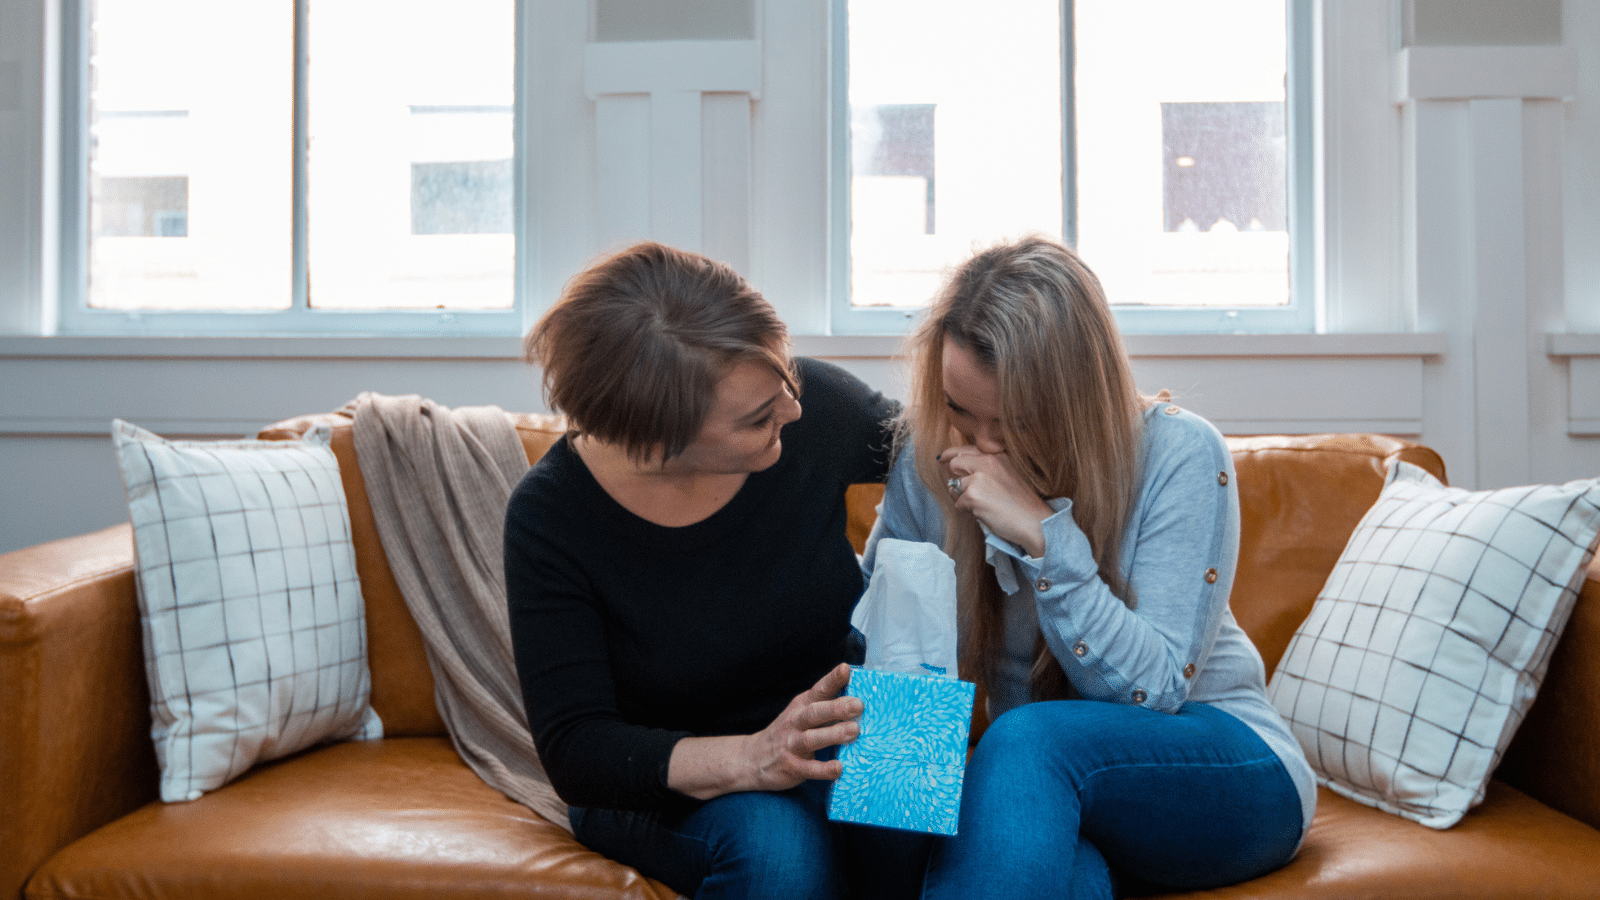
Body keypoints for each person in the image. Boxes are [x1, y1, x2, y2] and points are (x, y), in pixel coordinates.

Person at [863, 236, 1316, 899]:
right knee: (901, 757)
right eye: (961, 412)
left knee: (1027, 741)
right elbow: (896, 679)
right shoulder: (925, 458)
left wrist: (1048, 541)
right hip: (1046, 797)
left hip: (1221, 765)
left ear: (1071, 401)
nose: (982, 447)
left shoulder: (1179, 452)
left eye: (1013, 422)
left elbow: (1157, 688)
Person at [504, 241, 927, 900]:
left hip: (839, 725)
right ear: (657, 443)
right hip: (673, 779)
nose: (792, 408)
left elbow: (947, 447)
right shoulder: (550, 518)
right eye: (758, 417)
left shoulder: (816, 410)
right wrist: (752, 757)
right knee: (780, 857)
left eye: (786, 378)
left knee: (919, 794)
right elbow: (578, 750)